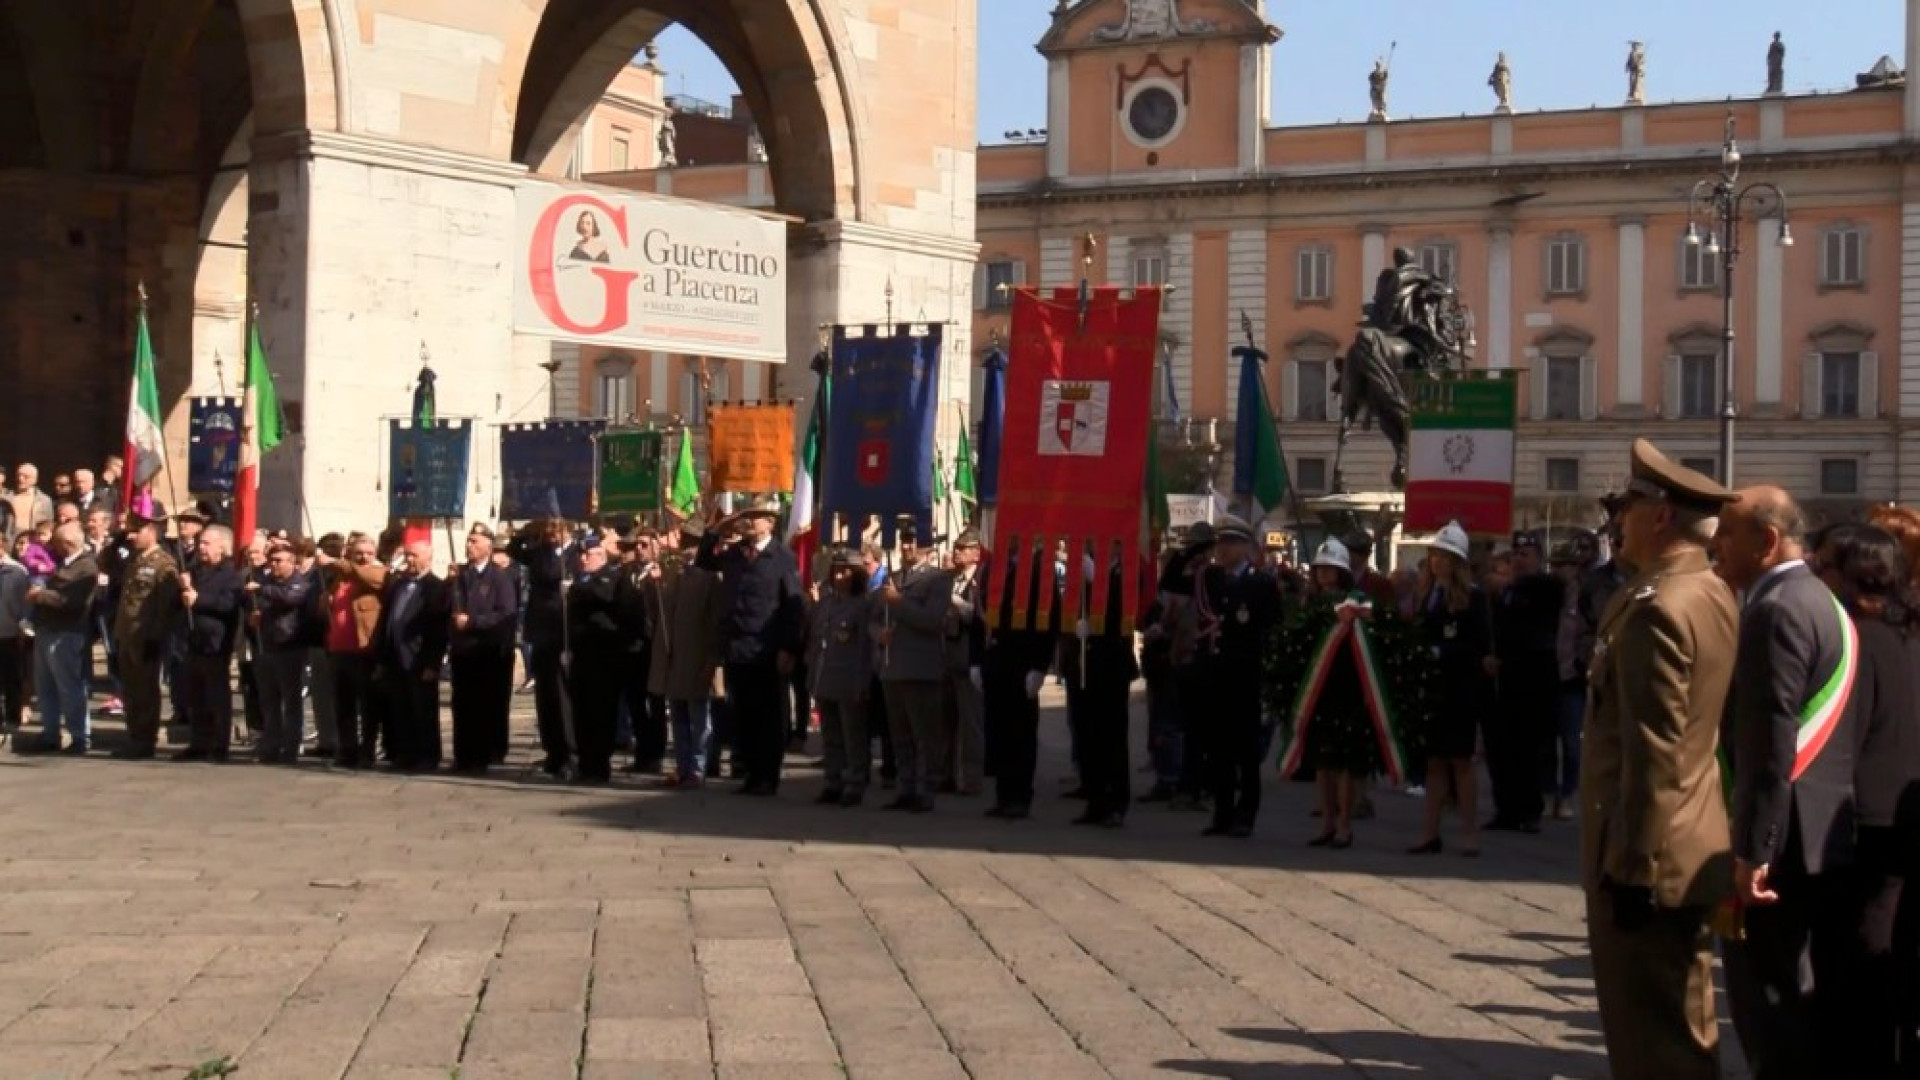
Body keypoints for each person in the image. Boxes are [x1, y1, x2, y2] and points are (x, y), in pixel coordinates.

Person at [1580, 438, 1739, 1080]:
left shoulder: (1660, 608)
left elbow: (1655, 752)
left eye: (1629, 505)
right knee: (1677, 1022)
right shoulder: (1705, 590)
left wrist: (1634, 868)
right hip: (1690, 838)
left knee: (1652, 1037)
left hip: (1649, 853)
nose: (1619, 518)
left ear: (1662, 515)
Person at [1714, 485, 1862, 1078]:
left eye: (1728, 533)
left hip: (1783, 843)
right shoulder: (1822, 599)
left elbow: (1770, 740)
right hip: (1822, 830)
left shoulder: (1775, 610)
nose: (1717, 545)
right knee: (1805, 995)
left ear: (1768, 541)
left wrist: (1754, 849)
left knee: (1769, 1004)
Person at [1809, 523, 1920, 1074]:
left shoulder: (1857, 639)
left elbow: (1843, 741)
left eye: (1824, 566)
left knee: (1857, 962)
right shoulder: (1907, 633)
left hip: (1864, 823)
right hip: (1900, 818)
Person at [695, 499, 805, 796]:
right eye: (747, 516)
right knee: (743, 714)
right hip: (738, 646)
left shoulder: (782, 557)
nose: (749, 522)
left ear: (770, 523)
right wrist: (715, 530)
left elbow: (793, 607)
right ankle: (751, 773)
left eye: (756, 517)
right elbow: (703, 562)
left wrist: (788, 647)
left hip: (767, 648)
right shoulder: (736, 554)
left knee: (769, 716)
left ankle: (768, 776)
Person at [1195, 516, 1282, 839]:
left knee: (1245, 750)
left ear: (1246, 547)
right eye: (1220, 543)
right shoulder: (1212, 579)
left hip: (1245, 676)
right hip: (1217, 674)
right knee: (1219, 749)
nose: (1223, 549)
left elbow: (1271, 628)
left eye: (1230, 543)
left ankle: (1246, 813)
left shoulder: (1260, 583)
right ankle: (1222, 813)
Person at [1409, 522, 1492, 856]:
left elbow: (1478, 645)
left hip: (1460, 689)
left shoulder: (1473, 598)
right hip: (1433, 687)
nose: (1437, 562)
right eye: (1434, 555)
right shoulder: (1427, 596)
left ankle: (1469, 833)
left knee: (1461, 761)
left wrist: (1442, 651)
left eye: (1444, 556)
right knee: (1434, 762)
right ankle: (1429, 831)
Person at [872, 523, 953, 812]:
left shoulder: (938, 580)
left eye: (913, 541)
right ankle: (905, 789)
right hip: (892, 667)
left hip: (921, 668)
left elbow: (931, 620)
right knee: (900, 736)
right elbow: (873, 617)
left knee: (925, 735)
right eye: (904, 540)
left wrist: (898, 602)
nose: (907, 546)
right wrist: (877, 633)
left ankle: (925, 790)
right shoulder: (892, 578)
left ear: (928, 546)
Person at [1488, 531, 1561, 833]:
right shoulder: (1506, 592)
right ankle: (1506, 809)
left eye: (1526, 555)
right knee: (1503, 747)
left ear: (1539, 559)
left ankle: (1530, 810)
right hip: (1506, 675)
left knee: (1530, 747)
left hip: (1534, 676)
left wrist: (1508, 583)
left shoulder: (1546, 586)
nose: (1519, 560)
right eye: (1515, 555)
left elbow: (1545, 593)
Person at [1061, 549, 1140, 827]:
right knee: (1087, 735)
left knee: (1112, 737)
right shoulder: (1082, 568)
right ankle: (1095, 799)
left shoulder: (1124, 570)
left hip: (1110, 666)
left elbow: (1129, 611)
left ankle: (1116, 801)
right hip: (1082, 664)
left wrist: (1098, 584)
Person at [983, 542, 1059, 821]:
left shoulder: (1039, 569)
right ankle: (1004, 794)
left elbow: (1049, 618)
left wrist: (1040, 666)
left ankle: (1020, 796)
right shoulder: (993, 568)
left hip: (1024, 662)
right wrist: (977, 660)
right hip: (997, 661)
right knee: (999, 732)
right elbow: (983, 616)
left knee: (1021, 733)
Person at [652, 520, 724, 788]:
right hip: (674, 657)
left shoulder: (710, 578)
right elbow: (660, 615)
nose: (686, 547)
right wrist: (655, 586)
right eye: (684, 541)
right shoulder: (675, 574)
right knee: (679, 718)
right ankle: (683, 768)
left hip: (697, 657)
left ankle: (698, 768)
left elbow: (715, 623)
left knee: (700, 720)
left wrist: (712, 660)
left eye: (692, 543)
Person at [16, 524, 96, 753]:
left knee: (69, 686)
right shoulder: (61, 562)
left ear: (67, 543)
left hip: (66, 633)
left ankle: (80, 736)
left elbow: (71, 601)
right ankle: (50, 733)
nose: (52, 547)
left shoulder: (86, 567)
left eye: (56, 542)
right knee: (45, 687)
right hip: (46, 629)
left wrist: (40, 595)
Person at [111, 505, 182, 759]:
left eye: (136, 531)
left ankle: (145, 740)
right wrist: (117, 540)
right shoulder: (135, 559)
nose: (130, 536)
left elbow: (165, 606)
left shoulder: (163, 564)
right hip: (127, 634)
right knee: (131, 691)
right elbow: (107, 565)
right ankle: (134, 736)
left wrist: (156, 637)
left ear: (152, 531)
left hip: (146, 636)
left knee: (145, 691)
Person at [448, 524, 519, 773]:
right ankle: (463, 755)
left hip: (489, 651)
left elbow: (506, 613)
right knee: (462, 705)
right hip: (463, 650)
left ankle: (485, 754)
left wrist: (474, 622)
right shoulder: (460, 576)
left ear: (489, 547)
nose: (469, 546)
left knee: (486, 705)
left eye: (475, 541)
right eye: (468, 541)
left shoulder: (499, 577)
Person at [372, 542, 448, 772]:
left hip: (419, 658)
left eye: (414, 555)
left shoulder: (436, 587)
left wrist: (432, 663)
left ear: (428, 557)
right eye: (407, 555)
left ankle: (427, 756)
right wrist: (382, 656)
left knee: (423, 710)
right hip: (396, 656)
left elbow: (438, 630)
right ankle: (404, 753)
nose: (409, 560)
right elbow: (386, 620)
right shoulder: (398, 585)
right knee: (400, 708)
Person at [317, 533, 388, 768]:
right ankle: (347, 750)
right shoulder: (340, 579)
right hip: (338, 649)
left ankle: (367, 750)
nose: (364, 557)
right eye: (359, 553)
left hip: (363, 650)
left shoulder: (378, 573)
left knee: (367, 705)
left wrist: (331, 561)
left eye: (369, 553)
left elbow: (364, 575)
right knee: (343, 705)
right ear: (350, 553)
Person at [508, 519, 573, 776]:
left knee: (561, 696)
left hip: (562, 632)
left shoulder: (574, 555)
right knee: (545, 696)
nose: (549, 537)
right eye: (546, 533)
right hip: (540, 632)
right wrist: (526, 532)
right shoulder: (540, 553)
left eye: (554, 532)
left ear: (565, 532)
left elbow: (555, 577)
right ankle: (552, 751)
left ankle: (568, 752)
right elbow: (514, 550)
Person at [808, 547, 873, 805]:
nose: (839, 576)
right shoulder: (826, 603)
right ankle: (832, 781)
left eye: (845, 571)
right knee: (831, 735)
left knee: (853, 736)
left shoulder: (862, 606)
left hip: (849, 679)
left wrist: (862, 682)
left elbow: (865, 649)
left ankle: (855, 783)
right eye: (836, 571)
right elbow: (816, 642)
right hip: (826, 676)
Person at [174, 526, 244, 761]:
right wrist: (182, 587)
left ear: (221, 547)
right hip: (192, 639)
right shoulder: (193, 571)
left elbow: (228, 604)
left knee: (216, 696)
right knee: (195, 695)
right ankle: (198, 743)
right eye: (200, 543)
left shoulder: (231, 575)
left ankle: (219, 744)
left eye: (206, 543)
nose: (201, 547)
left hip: (215, 642)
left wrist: (198, 599)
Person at [566, 535, 624, 783]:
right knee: (582, 712)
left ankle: (599, 765)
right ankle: (585, 762)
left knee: (601, 712)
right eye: (581, 555)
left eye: (587, 555)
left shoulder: (609, 577)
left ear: (600, 556)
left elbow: (604, 596)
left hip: (603, 656)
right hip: (581, 654)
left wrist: (577, 589)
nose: (583, 559)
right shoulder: (581, 581)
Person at [247, 542, 311, 764]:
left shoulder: (300, 583)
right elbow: (254, 607)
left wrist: (262, 590)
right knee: (268, 701)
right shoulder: (266, 583)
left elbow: (290, 599)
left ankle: (291, 748)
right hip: (266, 647)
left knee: (291, 702)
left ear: (292, 563)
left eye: (279, 561)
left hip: (290, 648)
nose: (274, 565)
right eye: (271, 561)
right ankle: (271, 746)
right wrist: (253, 619)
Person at [936, 529, 986, 795]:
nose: (957, 552)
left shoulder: (981, 580)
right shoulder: (951, 579)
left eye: (963, 548)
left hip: (968, 658)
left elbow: (977, 616)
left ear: (976, 552)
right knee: (946, 721)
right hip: (947, 656)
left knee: (970, 723)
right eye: (956, 548)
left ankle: (972, 778)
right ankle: (946, 774)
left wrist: (955, 601)